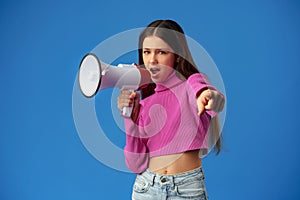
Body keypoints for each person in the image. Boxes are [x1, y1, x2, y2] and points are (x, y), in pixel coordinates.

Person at [117, 19, 225, 200]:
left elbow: (210, 96)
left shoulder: (192, 85)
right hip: (146, 188)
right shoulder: (145, 104)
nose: (152, 60)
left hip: (186, 188)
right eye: (146, 52)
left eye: (161, 52)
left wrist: (209, 97)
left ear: (177, 55)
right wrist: (129, 119)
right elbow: (136, 165)